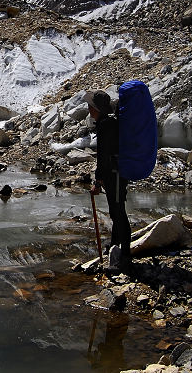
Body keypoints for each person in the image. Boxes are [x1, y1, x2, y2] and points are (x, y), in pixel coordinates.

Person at [85, 90, 131, 273]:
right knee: (116, 209)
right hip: (118, 172)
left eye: (90, 107)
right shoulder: (110, 122)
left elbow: (103, 155)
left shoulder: (106, 125)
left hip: (115, 173)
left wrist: (97, 180)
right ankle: (116, 245)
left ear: (96, 109)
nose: (89, 110)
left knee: (118, 211)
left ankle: (126, 256)